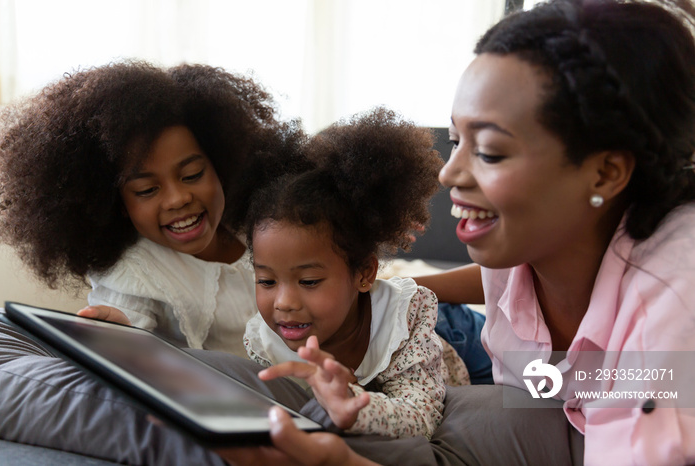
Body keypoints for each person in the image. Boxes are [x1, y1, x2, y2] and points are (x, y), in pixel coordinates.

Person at [219, 0, 695, 464]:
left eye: (488, 151)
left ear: (605, 172)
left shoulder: (672, 303)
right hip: (553, 408)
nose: (448, 175)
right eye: (454, 140)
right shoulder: (519, 243)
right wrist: (402, 289)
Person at [0, 61, 306, 356]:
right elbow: (127, 326)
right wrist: (119, 332)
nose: (177, 199)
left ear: (220, 164)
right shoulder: (135, 272)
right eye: (146, 190)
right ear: (117, 205)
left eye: (192, 175)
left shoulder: (255, 220)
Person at [241, 108, 469, 439]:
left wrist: (354, 404)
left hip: (460, 342)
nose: (284, 303)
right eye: (266, 281)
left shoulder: (403, 324)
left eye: (308, 282)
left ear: (364, 273)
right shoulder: (262, 342)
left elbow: (420, 415)